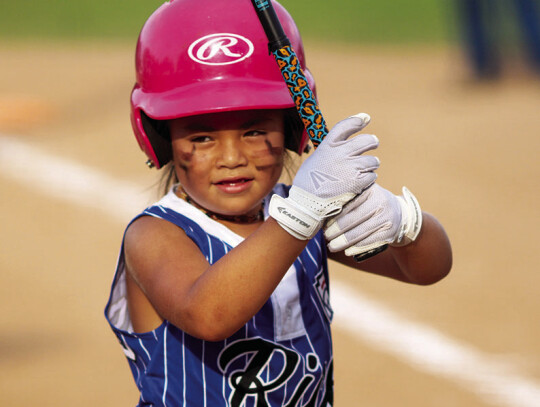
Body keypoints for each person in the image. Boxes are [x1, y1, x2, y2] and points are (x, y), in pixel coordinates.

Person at [104, 0, 452, 406]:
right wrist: (303, 212)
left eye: (254, 131)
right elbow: (209, 314)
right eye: (201, 138)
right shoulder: (155, 234)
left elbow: (428, 269)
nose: (231, 157)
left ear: (290, 129)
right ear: (159, 139)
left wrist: (402, 223)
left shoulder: (301, 212)